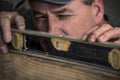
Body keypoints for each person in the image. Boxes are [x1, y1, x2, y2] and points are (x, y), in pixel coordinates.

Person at [0, 0, 120, 53]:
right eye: (41, 17)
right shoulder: (24, 23)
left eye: (63, 15)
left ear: (97, 11)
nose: (51, 31)